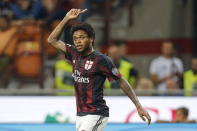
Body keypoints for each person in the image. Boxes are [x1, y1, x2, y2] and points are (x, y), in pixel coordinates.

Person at [48, 8, 151, 131]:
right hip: (80, 115)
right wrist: (66, 19)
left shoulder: (101, 60)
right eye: (75, 38)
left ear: (91, 39)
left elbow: (121, 81)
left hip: (96, 113)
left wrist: (138, 106)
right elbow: (52, 40)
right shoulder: (73, 53)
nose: (78, 41)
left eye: (82, 37)